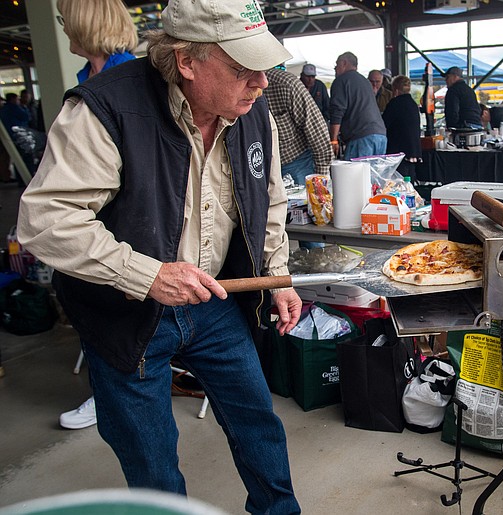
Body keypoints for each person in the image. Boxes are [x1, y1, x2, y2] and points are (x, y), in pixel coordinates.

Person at [17, 0, 302, 513]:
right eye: (242, 68)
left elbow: (271, 201)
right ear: (187, 61)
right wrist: (145, 275)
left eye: (263, 64)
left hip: (215, 303)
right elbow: (45, 221)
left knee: (258, 422)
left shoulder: (252, 112)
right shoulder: (104, 108)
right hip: (126, 313)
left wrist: (276, 278)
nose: (261, 81)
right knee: (150, 458)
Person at [53, 0, 140, 431]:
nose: (63, 27)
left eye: (64, 19)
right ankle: (107, 393)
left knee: (119, 321)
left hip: (127, 223)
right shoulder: (86, 80)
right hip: (96, 221)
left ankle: (111, 396)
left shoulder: (130, 79)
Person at [264, 67, 333, 187]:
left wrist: (320, 184)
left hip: (296, 164)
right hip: (262, 169)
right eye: (308, 76)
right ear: (302, 75)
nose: (310, 79)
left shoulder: (286, 85)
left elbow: (318, 132)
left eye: (313, 77)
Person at [57, 0, 138, 85]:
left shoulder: (129, 71)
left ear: (85, 25)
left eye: (65, 21)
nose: (64, 29)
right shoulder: (87, 73)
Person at [329, 51, 386, 160]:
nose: (335, 69)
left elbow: (337, 111)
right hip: (380, 136)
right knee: (374, 175)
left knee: (354, 175)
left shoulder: (341, 81)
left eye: (337, 65)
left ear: (344, 63)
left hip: (362, 137)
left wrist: (333, 140)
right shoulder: (365, 81)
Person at [382, 75, 422, 181]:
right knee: (410, 179)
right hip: (413, 150)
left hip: (398, 150)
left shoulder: (395, 103)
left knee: (398, 179)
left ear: (395, 89)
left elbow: (384, 123)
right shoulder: (413, 104)